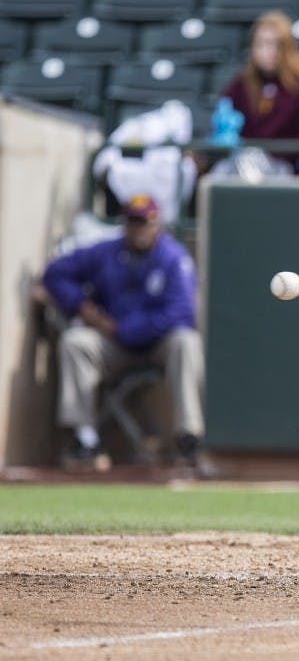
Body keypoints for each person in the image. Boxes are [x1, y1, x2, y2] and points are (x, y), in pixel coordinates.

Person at [42, 195, 212, 476]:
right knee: (75, 342)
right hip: (114, 347)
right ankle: (85, 439)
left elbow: (180, 313)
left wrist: (123, 329)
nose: (138, 229)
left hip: (157, 344)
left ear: (157, 224)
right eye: (133, 222)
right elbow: (56, 272)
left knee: (186, 341)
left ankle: (188, 437)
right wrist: (83, 308)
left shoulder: (173, 258)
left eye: (144, 222)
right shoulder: (106, 252)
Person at [216, 10, 299, 175]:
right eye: (261, 44)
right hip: (243, 163)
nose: (267, 51)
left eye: (274, 44)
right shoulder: (240, 84)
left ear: (287, 47)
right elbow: (227, 127)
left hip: (288, 169)